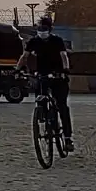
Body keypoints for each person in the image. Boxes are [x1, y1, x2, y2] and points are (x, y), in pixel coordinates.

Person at [20, 15, 72, 152]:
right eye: (40, 28)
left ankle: (67, 138)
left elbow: (64, 56)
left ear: (49, 29)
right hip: (42, 75)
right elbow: (24, 57)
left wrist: (65, 70)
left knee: (62, 106)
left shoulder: (57, 41)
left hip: (58, 76)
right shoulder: (33, 41)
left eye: (44, 28)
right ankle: (43, 116)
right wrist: (18, 69)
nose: (42, 31)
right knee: (40, 98)